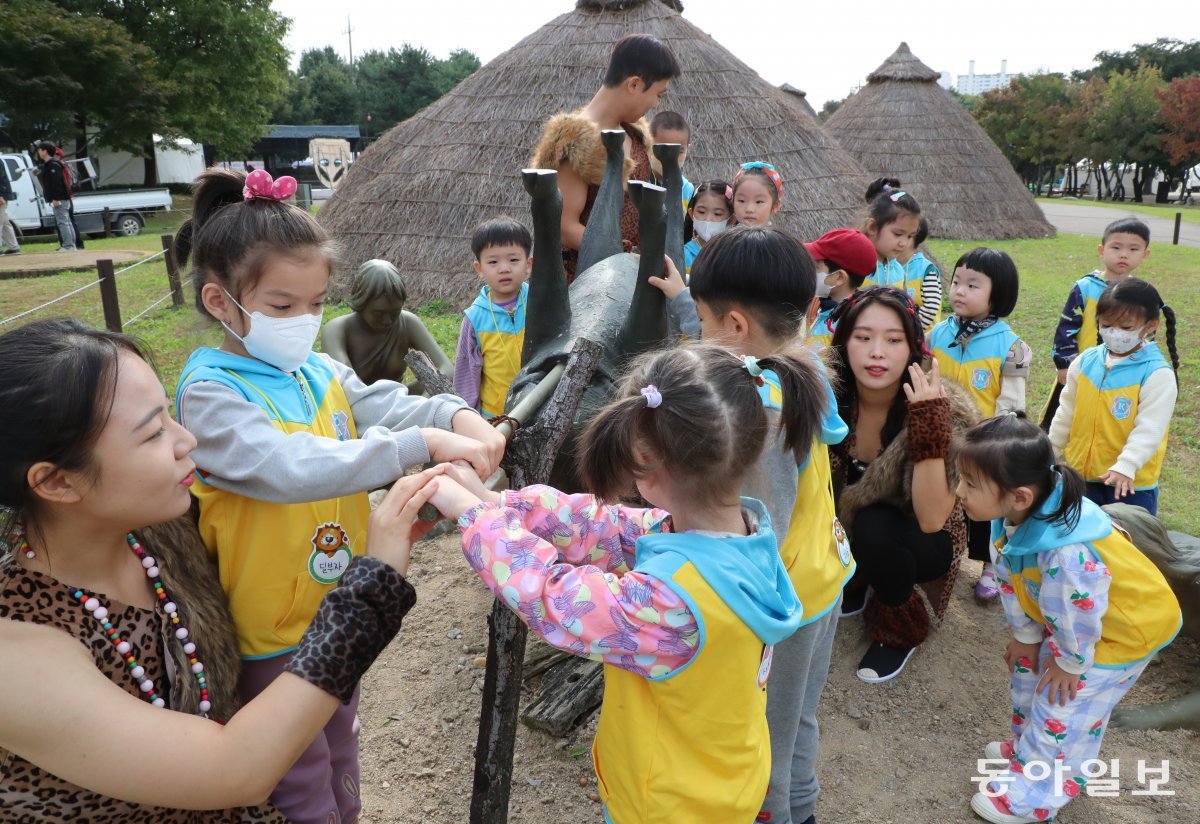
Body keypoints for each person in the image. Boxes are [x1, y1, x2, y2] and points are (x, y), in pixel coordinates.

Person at [0, 318, 438, 821]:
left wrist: (388, 528)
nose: (187, 439)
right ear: (56, 483)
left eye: (170, 414)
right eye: (152, 434)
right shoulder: (16, 651)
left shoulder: (163, 531)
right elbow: (235, 770)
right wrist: (372, 590)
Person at [171, 168, 505, 824]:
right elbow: (288, 466)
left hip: (341, 607)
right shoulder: (211, 392)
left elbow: (375, 399)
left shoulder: (313, 367)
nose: (305, 320)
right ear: (220, 302)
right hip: (270, 630)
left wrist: (448, 413)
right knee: (298, 782)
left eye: (317, 303)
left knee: (342, 751)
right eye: (281, 305)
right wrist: (416, 447)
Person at [418, 342, 828, 823]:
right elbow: (604, 525)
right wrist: (500, 504)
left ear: (645, 461)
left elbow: (552, 596)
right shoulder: (748, 537)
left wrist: (473, 517)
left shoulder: (670, 605)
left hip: (668, 808)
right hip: (724, 781)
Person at [688, 226, 853, 824]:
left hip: (783, 602)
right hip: (822, 575)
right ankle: (801, 805)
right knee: (797, 719)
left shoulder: (761, 411)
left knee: (766, 740)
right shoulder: (799, 367)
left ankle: (781, 814)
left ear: (734, 327)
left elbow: (763, 526)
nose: (698, 333)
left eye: (703, 320)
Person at [955, 414, 1180, 824]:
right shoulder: (1010, 518)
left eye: (970, 483)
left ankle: (1036, 795)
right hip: (1071, 622)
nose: (959, 491)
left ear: (1020, 496)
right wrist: (1025, 635)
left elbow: (1080, 611)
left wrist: (1070, 662)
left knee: (1064, 706)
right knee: (1029, 673)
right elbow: (1011, 575)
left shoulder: (1066, 553)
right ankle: (1029, 753)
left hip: (1120, 633)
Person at [828, 287, 978, 682]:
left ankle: (900, 625)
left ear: (912, 347)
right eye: (863, 337)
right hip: (846, 520)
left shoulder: (943, 405)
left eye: (893, 340)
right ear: (843, 342)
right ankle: (856, 576)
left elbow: (932, 518)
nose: (877, 352)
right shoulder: (827, 394)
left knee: (873, 525)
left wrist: (929, 422)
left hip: (923, 535)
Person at [531, 33, 680, 278]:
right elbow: (566, 228)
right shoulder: (576, 141)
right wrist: (625, 258)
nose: (655, 104)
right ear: (634, 84)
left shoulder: (634, 133)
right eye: (658, 94)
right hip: (585, 284)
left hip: (630, 277)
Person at [929, 248, 1032, 601]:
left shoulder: (1012, 346)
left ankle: (990, 565)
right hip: (939, 435)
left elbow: (1012, 402)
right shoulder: (937, 334)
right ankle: (939, 558)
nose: (958, 290)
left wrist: (993, 440)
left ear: (998, 293)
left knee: (983, 509)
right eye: (956, 281)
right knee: (939, 497)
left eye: (973, 285)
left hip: (981, 444)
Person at [1048, 278, 1177, 516]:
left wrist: (1127, 464)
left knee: (1126, 547)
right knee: (1082, 549)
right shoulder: (1085, 362)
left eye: (1126, 327)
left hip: (1128, 485)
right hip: (1082, 478)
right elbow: (1066, 411)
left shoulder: (1157, 374)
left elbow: (1150, 429)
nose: (1114, 333)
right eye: (1106, 325)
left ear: (1150, 326)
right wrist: (1049, 451)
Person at [1041, 218, 1151, 428]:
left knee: (1102, 419)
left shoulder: (1140, 293)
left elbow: (1145, 335)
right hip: (1079, 368)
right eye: (1116, 247)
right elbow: (1066, 327)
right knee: (1060, 417)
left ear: (1145, 254)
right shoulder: (1085, 287)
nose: (1124, 254)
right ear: (1102, 249)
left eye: (1133, 249)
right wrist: (1065, 364)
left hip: (1120, 371)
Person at [320, 259, 452, 393]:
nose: (388, 321)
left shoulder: (407, 322)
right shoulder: (337, 330)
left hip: (397, 401)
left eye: (395, 312)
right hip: (353, 406)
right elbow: (344, 384)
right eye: (378, 314)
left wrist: (422, 402)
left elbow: (447, 369)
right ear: (362, 304)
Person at [453, 217, 532, 416]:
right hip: (495, 417)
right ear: (479, 269)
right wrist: (468, 416)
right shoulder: (475, 319)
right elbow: (466, 374)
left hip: (537, 408)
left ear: (528, 264)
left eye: (513, 260)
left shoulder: (539, 301)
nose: (504, 268)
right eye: (493, 261)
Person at [860, 178, 940, 333]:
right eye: (898, 234)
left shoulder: (897, 269)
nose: (903, 243)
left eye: (910, 236)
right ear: (872, 227)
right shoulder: (856, 263)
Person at [804, 228, 878, 348]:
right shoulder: (824, 309)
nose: (809, 271)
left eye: (816, 267)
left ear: (839, 277)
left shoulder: (850, 326)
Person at [897, 214, 942, 328]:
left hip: (923, 337)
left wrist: (912, 328)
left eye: (898, 234)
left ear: (912, 237)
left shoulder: (926, 270)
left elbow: (931, 306)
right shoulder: (889, 267)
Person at [649, 110, 695, 213]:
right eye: (663, 150)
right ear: (648, 146)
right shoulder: (640, 183)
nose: (672, 158)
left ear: (688, 149)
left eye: (680, 152)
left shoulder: (687, 189)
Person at [682, 179, 731, 274]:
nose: (708, 219)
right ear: (692, 214)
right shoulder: (683, 255)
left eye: (717, 214)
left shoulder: (735, 253)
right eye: (701, 212)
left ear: (731, 219)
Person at [35, 141, 77, 252]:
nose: (38, 152)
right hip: (63, 197)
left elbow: (56, 183)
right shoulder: (52, 163)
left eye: (40, 150)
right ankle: (72, 245)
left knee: (62, 222)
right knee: (66, 221)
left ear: (45, 151)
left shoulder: (52, 165)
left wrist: (55, 198)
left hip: (60, 198)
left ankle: (68, 245)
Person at [731, 161, 783, 226]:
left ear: (775, 206)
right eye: (741, 201)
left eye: (759, 202)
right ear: (733, 201)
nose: (749, 209)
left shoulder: (777, 236)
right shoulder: (725, 236)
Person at [0, 164, 20, 255]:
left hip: (2, 195)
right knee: (4, 222)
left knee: (2, 222)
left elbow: (1, 178)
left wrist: (1, 195)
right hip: (3, 194)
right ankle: (14, 246)